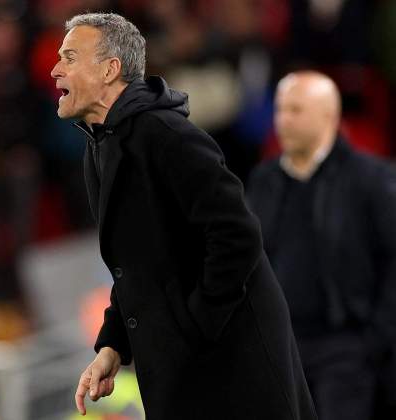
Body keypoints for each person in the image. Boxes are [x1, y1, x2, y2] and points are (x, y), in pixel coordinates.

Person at [51, 12, 316, 419]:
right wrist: (112, 346)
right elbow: (134, 266)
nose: (55, 70)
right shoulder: (100, 148)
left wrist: (195, 328)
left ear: (110, 69)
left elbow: (237, 234)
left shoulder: (165, 135)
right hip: (193, 369)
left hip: (235, 368)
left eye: (69, 57)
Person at [247, 71, 396, 420]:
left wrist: (375, 340)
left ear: (329, 115)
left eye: (296, 110)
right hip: (282, 348)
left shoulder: (370, 178)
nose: (282, 120)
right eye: (280, 109)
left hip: (346, 349)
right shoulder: (263, 180)